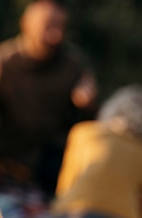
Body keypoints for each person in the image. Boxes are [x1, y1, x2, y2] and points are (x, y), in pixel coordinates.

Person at [0, 0, 97, 213]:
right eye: (48, 26)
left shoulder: (74, 65)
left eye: (60, 26)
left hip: (52, 171)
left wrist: (88, 106)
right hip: (2, 167)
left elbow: (90, 129)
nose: (55, 34)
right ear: (26, 23)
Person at [50, 84, 142, 218]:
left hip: (73, 207)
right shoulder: (139, 150)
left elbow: (66, 182)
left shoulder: (83, 133)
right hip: (120, 213)